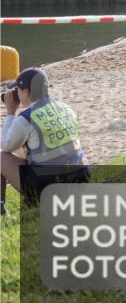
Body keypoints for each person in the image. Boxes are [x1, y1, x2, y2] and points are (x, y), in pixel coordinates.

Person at [1, 68, 90, 207]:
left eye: (17, 90)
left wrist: (11, 112)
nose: (16, 94)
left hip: (50, 188)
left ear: (26, 92)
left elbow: (6, 145)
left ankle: (1, 207)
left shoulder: (26, 118)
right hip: (81, 179)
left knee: (2, 156)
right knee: (26, 149)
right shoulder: (65, 108)